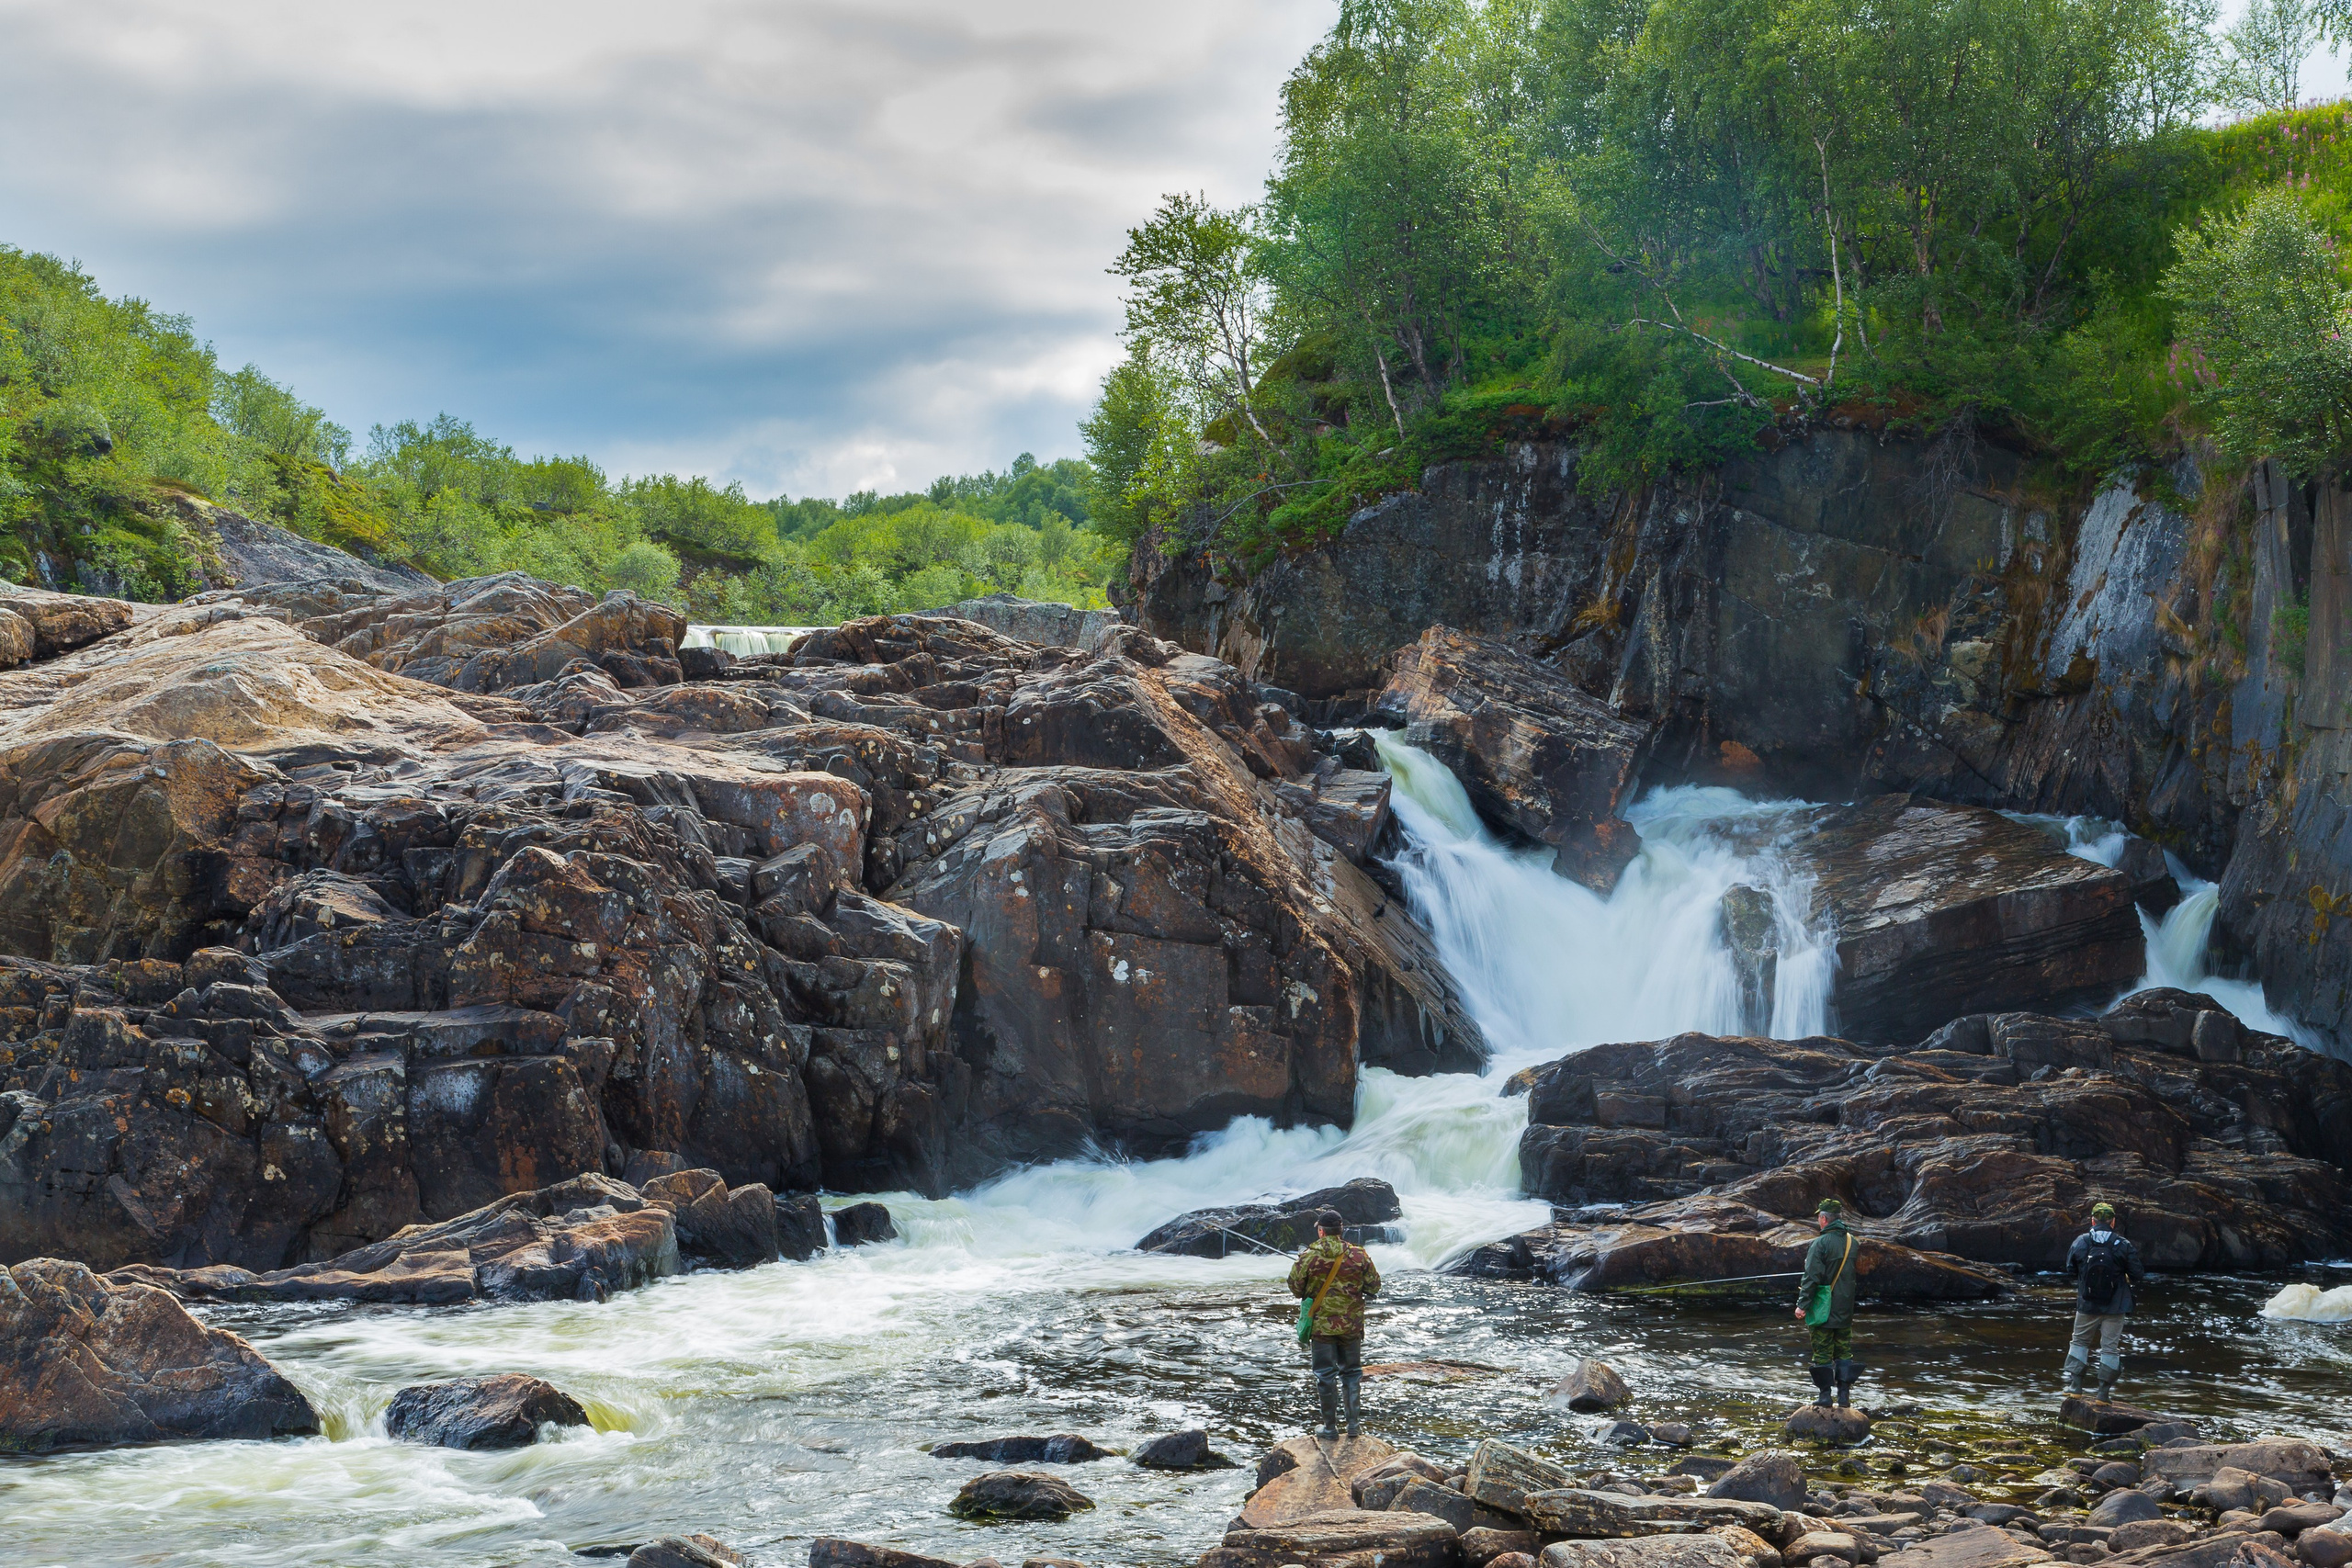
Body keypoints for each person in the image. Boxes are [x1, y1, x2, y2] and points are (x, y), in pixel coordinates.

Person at [1287, 1207, 1381, 1440]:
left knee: (1325, 1375)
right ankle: (1353, 1426)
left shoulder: (1308, 1256)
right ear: (1341, 1231)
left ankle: (1330, 1428)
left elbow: (1295, 1288)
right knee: (1351, 1374)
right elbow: (1374, 1286)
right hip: (1351, 1326)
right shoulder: (1359, 1255)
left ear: (1321, 1231)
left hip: (1321, 1328)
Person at [2063, 1201, 2146, 1397]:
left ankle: (2075, 1388)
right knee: (2110, 1348)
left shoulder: (2081, 1241)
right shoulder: (2123, 1244)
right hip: (2116, 1306)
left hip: (2087, 1304)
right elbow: (2138, 1274)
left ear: (2092, 1221)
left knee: (2080, 1342)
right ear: (2113, 1222)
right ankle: (2103, 1394)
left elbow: (2069, 1269)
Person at [1792, 1197, 1860, 1408]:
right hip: (1845, 1307)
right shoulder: (1853, 1242)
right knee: (1843, 1351)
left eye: (1819, 1218)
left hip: (1824, 1307)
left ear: (1823, 1219)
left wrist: (1802, 1305)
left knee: (1822, 1351)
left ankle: (1824, 1397)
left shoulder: (1819, 1244)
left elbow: (1811, 1278)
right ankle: (1844, 1398)